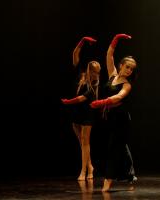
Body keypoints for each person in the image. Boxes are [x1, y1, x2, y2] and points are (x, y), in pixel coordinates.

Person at [90, 34, 138, 191]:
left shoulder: (127, 85)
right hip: (109, 118)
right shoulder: (113, 75)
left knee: (114, 149)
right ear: (121, 65)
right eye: (127, 67)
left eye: (132, 69)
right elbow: (109, 55)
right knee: (120, 147)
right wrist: (116, 40)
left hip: (121, 120)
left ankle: (107, 183)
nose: (129, 70)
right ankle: (130, 175)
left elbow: (119, 96)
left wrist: (103, 102)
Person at [61, 36, 101, 181]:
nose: (96, 75)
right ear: (89, 69)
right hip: (76, 112)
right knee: (81, 141)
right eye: (94, 71)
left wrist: (68, 102)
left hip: (87, 114)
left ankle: (84, 171)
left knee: (85, 141)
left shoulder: (94, 85)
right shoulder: (81, 74)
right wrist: (83, 41)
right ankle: (90, 165)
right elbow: (75, 54)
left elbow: (81, 98)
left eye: (98, 72)